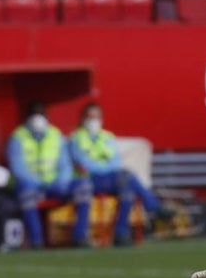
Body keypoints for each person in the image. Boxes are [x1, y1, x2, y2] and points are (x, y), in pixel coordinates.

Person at [69, 101, 171, 247]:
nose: (93, 121)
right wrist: (103, 167)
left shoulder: (107, 137)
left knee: (127, 187)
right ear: (83, 118)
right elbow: (83, 163)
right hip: (89, 179)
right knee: (126, 177)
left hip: (108, 177)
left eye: (96, 117)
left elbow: (116, 161)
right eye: (90, 117)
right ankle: (152, 207)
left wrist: (102, 167)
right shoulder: (77, 138)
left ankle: (121, 233)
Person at [5, 101, 92, 248]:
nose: (38, 119)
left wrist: (60, 182)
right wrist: (39, 184)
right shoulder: (18, 137)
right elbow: (18, 169)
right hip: (32, 185)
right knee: (26, 191)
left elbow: (65, 165)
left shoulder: (55, 135)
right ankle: (36, 241)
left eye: (41, 114)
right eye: (34, 115)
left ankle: (80, 236)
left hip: (56, 184)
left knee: (83, 186)